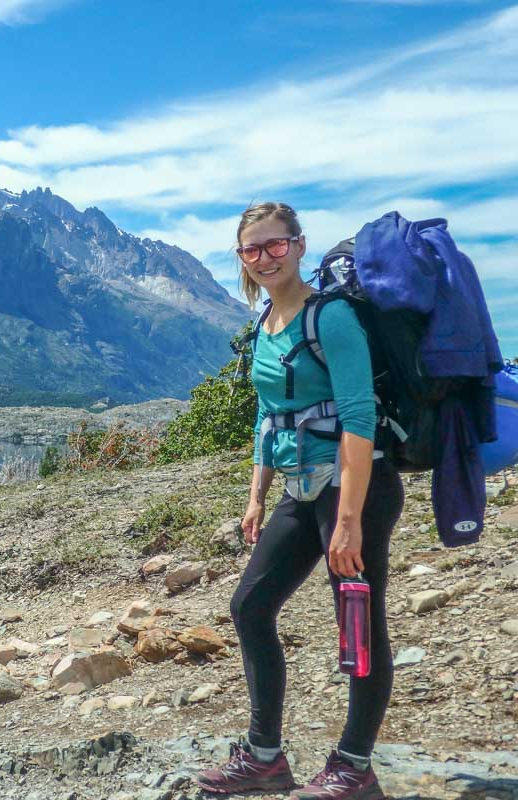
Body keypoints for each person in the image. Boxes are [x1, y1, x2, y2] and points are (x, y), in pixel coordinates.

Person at [196, 203, 403, 800]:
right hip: (298, 488)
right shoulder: (266, 322)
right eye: (252, 250)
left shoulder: (330, 317)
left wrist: (347, 523)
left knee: (358, 627)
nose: (265, 258)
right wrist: (256, 494)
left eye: (275, 246)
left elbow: (359, 418)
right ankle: (265, 758)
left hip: (355, 491)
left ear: (299, 245)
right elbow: (270, 412)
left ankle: (355, 765)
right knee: (250, 607)